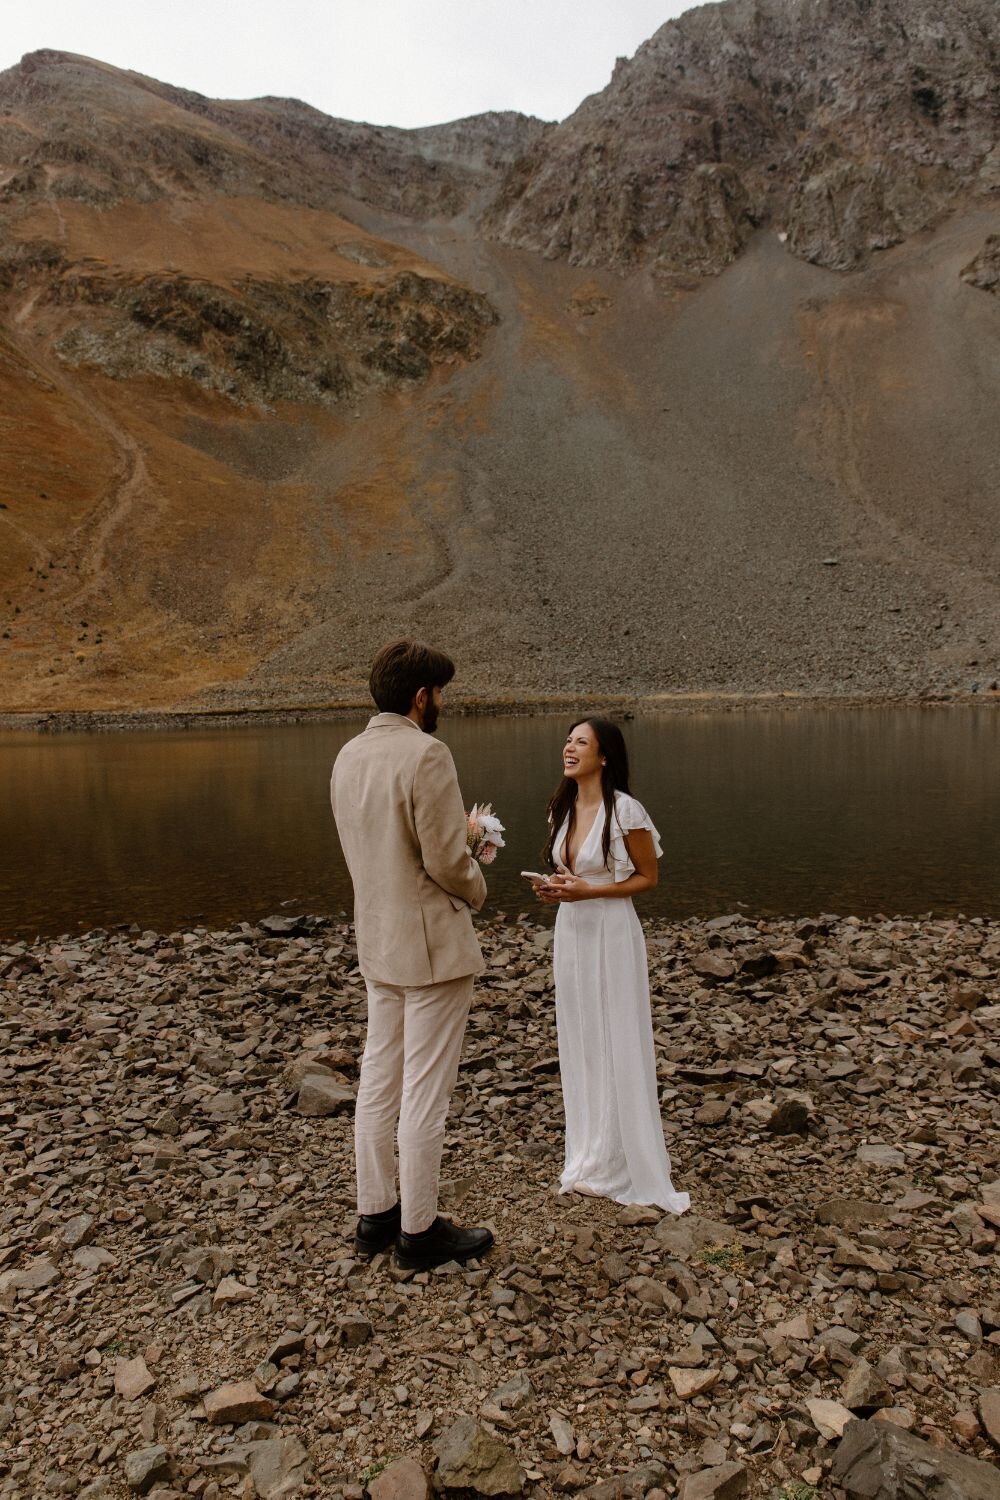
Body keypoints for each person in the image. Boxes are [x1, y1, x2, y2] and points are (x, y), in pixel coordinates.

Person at [330, 640, 494, 1270]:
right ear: (421, 697)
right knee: (425, 1091)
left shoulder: (348, 755)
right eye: (439, 693)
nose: (441, 705)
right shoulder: (427, 754)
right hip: (431, 948)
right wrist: (478, 882)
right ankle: (420, 1232)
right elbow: (447, 860)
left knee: (378, 1079)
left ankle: (375, 1215)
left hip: (377, 939)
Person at [534, 718, 689, 1214]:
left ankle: (627, 1161)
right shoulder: (562, 806)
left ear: (604, 757)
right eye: (568, 740)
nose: (569, 747)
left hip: (612, 930)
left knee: (616, 1033)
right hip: (572, 930)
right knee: (580, 1035)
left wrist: (591, 890)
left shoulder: (625, 809)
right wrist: (556, 888)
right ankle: (590, 1153)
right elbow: (572, 874)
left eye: (581, 742)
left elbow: (649, 877)